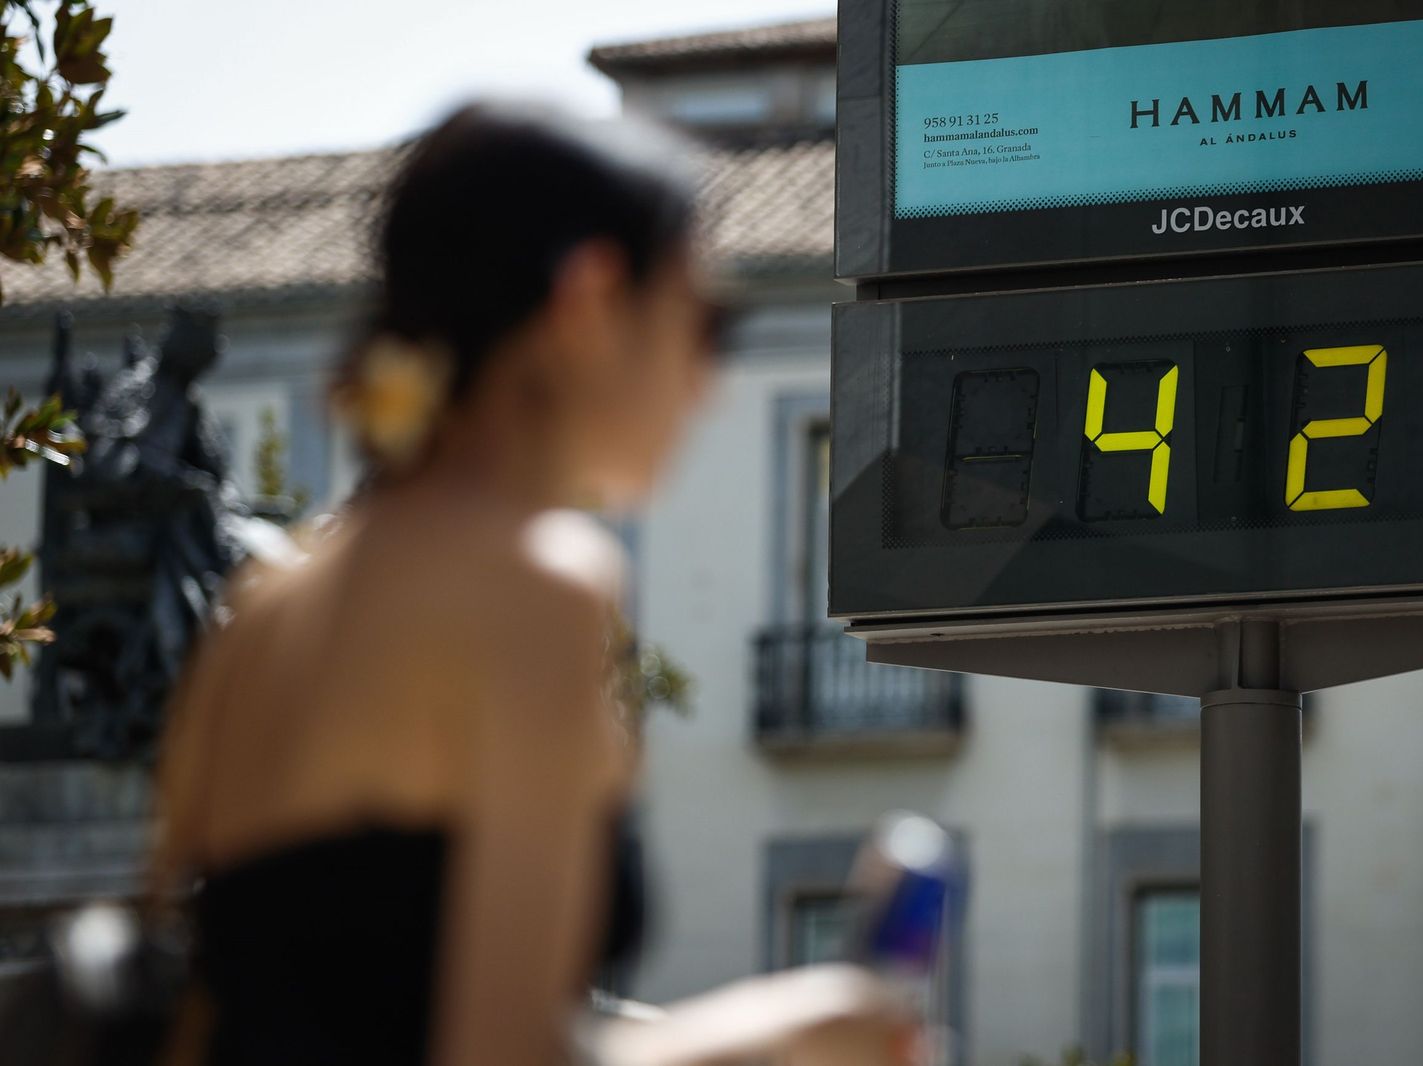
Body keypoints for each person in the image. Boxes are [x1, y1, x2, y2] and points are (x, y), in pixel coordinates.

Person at [152, 102, 913, 1066]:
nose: (708, 380)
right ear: (590, 299)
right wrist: (806, 1022)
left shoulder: (265, 607)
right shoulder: (537, 588)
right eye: (706, 319)